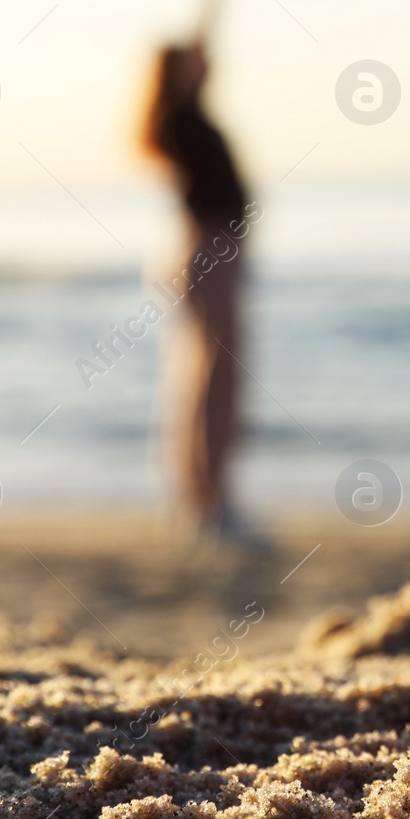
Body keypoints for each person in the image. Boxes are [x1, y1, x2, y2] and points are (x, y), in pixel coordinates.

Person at [139, 40, 255, 546]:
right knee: (217, 376)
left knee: (201, 375)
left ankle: (195, 494)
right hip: (210, 253)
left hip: (208, 252)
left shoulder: (183, 121)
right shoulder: (179, 123)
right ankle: (210, 499)